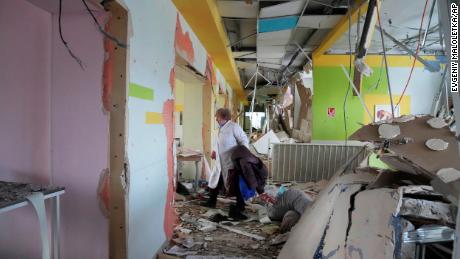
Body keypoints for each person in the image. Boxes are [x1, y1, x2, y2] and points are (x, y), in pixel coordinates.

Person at [201, 108, 249, 217]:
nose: (216, 119)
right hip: (220, 161)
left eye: (217, 117)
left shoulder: (234, 127)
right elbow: (219, 143)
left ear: (223, 117)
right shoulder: (221, 128)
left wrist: (243, 156)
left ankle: (241, 205)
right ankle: (211, 202)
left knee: (234, 183)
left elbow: (244, 141)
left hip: (230, 162)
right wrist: (214, 151)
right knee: (215, 180)